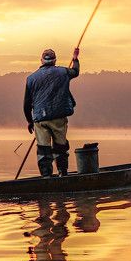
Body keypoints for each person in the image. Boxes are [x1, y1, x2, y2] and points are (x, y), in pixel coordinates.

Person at [24, 47, 80, 177]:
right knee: (60, 147)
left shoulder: (31, 78)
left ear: (42, 60)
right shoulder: (64, 72)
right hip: (58, 117)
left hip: (40, 119)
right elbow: (76, 72)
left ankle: (46, 177)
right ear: (55, 60)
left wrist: (29, 121)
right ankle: (62, 173)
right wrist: (75, 58)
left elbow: (26, 104)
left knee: (43, 149)